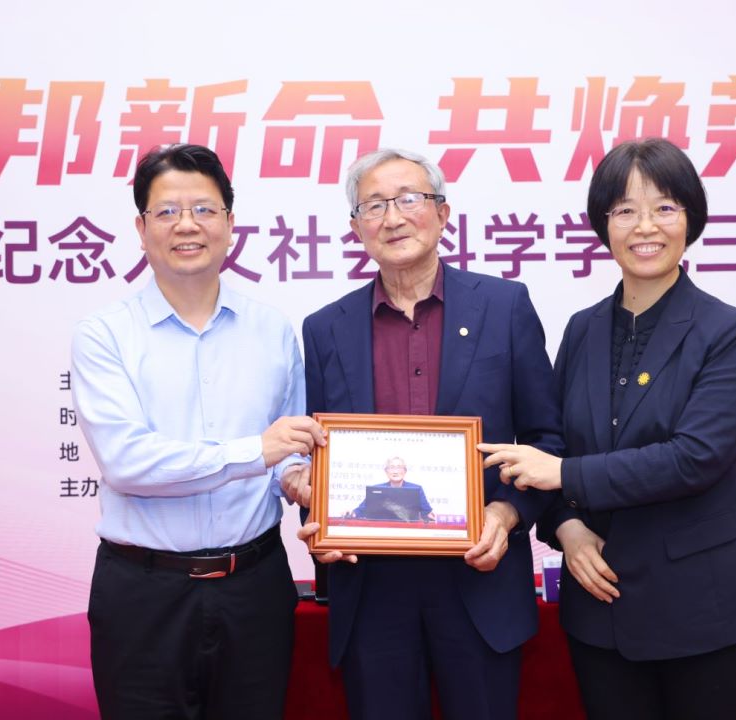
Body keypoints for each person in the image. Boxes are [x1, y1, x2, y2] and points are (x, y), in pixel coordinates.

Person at [478, 137, 736, 720]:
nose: (646, 226)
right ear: (604, 225)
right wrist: (566, 530)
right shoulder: (582, 330)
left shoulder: (730, 332)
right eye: (625, 210)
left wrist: (563, 474)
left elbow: (694, 458)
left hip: (706, 614)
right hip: (601, 612)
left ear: (690, 218)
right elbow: (551, 444)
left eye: (664, 207)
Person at [288, 148, 563, 720]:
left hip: (480, 580)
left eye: (409, 199)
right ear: (356, 228)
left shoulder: (504, 306)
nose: (393, 217)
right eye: (374, 205)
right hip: (370, 591)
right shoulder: (325, 329)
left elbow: (547, 439)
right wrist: (318, 513)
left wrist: (506, 514)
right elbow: (320, 455)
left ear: (442, 213)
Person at [70, 143, 325, 720]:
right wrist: (257, 452)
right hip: (144, 595)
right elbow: (127, 463)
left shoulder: (272, 330)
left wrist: (299, 480)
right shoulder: (104, 335)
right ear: (141, 229)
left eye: (205, 210)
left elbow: (288, 450)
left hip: (255, 587)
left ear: (230, 225)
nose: (187, 225)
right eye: (167, 211)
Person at [346, 456, 435, 521]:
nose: (395, 471)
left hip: (408, 531)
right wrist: (352, 513)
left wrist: (431, 516)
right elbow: (361, 510)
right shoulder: (376, 489)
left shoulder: (416, 489)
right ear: (386, 472)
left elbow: (427, 513)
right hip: (381, 531)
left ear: (405, 471)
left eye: (399, 467)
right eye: (391, 467)